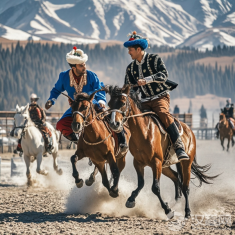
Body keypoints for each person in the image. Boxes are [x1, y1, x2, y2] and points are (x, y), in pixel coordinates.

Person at [45, 47, 128, 153]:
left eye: (84, 63)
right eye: (81, 65)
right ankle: (80, 141)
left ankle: (121, 140)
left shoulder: (91, 75)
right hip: (76, 107)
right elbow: (56, 90)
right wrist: (51, 100)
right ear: (74, 67)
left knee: (109, 118)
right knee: (61, 124)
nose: (84, 66)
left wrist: (101, 101)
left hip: (93, 104)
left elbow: (99, 89)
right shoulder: (64, 76)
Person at [123, 31, 189, 161]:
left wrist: (147, 80)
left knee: (163, 114)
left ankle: (179, 146)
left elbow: (164, 75)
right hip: (144, 101)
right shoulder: (130, 68)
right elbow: (128, 87)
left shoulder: (155, 59)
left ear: (138, 49)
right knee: (129, 119)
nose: (128, 52)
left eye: (130, 50)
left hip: (160, 97)